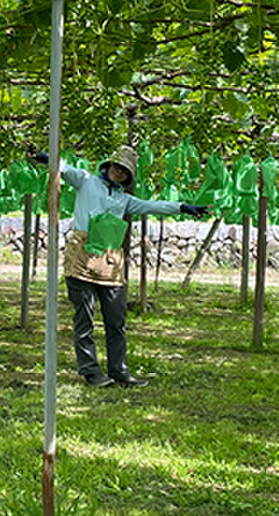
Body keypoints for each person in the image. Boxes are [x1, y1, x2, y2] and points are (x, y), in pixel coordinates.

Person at [31, 145, 208, 387]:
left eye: (124, 170)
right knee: (84, 318)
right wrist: (44, 157)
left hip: (110, 261)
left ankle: (119, 371)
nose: (118, 172)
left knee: (116, 320)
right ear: (108, 166)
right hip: (82, 257)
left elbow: (152, 205)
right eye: (116, 166)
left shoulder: (124, 200)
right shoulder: (87, 181)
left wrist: (182, 207)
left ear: (128, 176)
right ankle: (91, 371)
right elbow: (63, 168)